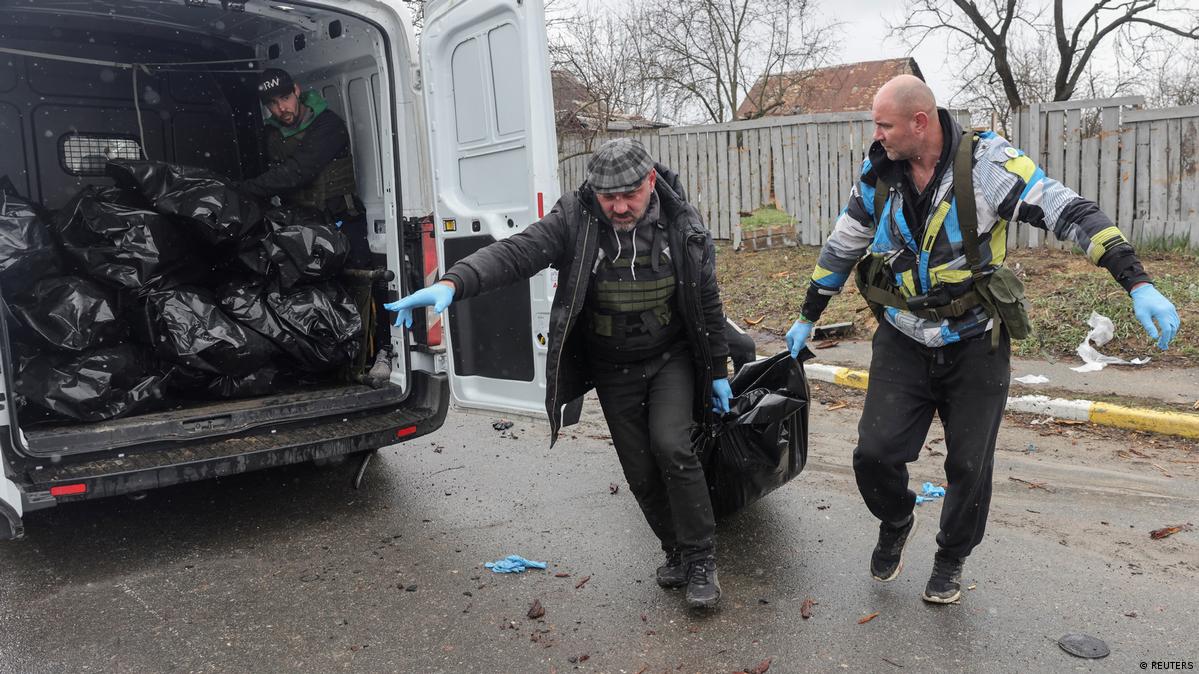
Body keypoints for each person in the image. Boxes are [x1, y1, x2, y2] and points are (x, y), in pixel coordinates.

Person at [785, 75, 1180, 605]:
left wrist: (1137, 282)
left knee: (969, 466)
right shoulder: (879, 172)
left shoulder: (989, 165)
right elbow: (843, 244)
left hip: (975, 340)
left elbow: (1070, 211)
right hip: (903, 337)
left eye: (883, 125)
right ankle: (897, 518)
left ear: (919, 123)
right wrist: (808, 315)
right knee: (873, 455)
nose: (875, 135)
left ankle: (951, 557)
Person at [386, 139, 733, 609]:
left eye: (629, 195)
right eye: (609, 197)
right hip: (612, 365)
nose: (619, 207)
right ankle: (675, 550)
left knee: (672, 446)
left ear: (651, 181)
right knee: (639, 471)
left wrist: (717, 369)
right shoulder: (576, 218)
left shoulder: (682, 223)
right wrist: (454, 282)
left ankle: (701, 560)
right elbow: (516, 253)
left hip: (669, 356)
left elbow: (706, 298)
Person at [235, 68, 390, 379]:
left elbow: (298, 171)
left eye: (285, 98)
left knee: (363, 284)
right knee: (306, 293)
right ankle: (324, 361)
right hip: (302, 227)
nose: (281, 108)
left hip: (342, 222)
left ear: (297, 91)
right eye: (272, 103)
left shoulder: (328, 125)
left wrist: (242, 189)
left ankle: (382, 352)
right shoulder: (271, 134)